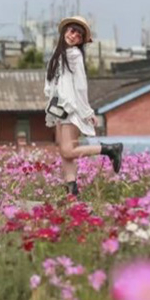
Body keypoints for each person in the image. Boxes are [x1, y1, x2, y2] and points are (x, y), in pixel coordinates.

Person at [44, 15, 123, 197]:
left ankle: (110, 149)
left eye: (79, 36)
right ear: (65, 30)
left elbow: (80, 85)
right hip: (61, 110)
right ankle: (72, 190)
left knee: (68, 150)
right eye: (72, 31)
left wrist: (87, 111)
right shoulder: (58, 56)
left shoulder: (74, 55)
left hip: (72, 109)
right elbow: (52, 84)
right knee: (65, 154)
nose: (74, 37)